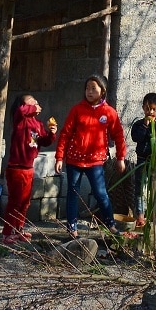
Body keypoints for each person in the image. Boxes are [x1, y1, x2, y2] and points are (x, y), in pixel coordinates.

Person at [55, 74, 127, 239]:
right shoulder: (77, 110)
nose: (89, 92)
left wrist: (121, 158)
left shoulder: (109, 112)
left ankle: (110, 224)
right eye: (87, 88)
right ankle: (72, 226)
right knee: (73, 192)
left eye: (93, 88)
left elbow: (118, 135)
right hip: (74, 160)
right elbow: (65, 134)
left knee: (101, 193)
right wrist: (59, 157)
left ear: (102, 91)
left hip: (95, 161)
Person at [1, 94, 57, 245]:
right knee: (14, 201)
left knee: (25, 202)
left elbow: (44, 141)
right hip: (16, 168)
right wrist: (30, 108)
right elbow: (20, 111)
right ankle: (7, 233)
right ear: (23, 106)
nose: (35, 103)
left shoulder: (38, 125)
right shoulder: (20, 120)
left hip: (28, 169)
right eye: (30, 101)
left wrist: (51, 133)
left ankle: (19, 229)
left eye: (36, 101)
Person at [129, 92, 156, 228]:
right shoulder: (139, 124)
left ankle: (155, 216)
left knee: (155, 189)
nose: (150, 111)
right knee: (140, 189)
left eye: (154, 109)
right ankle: (140, 216)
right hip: (142, 160)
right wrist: (145, 126)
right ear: (143, 108)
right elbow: (136, 138)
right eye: (147, 108)